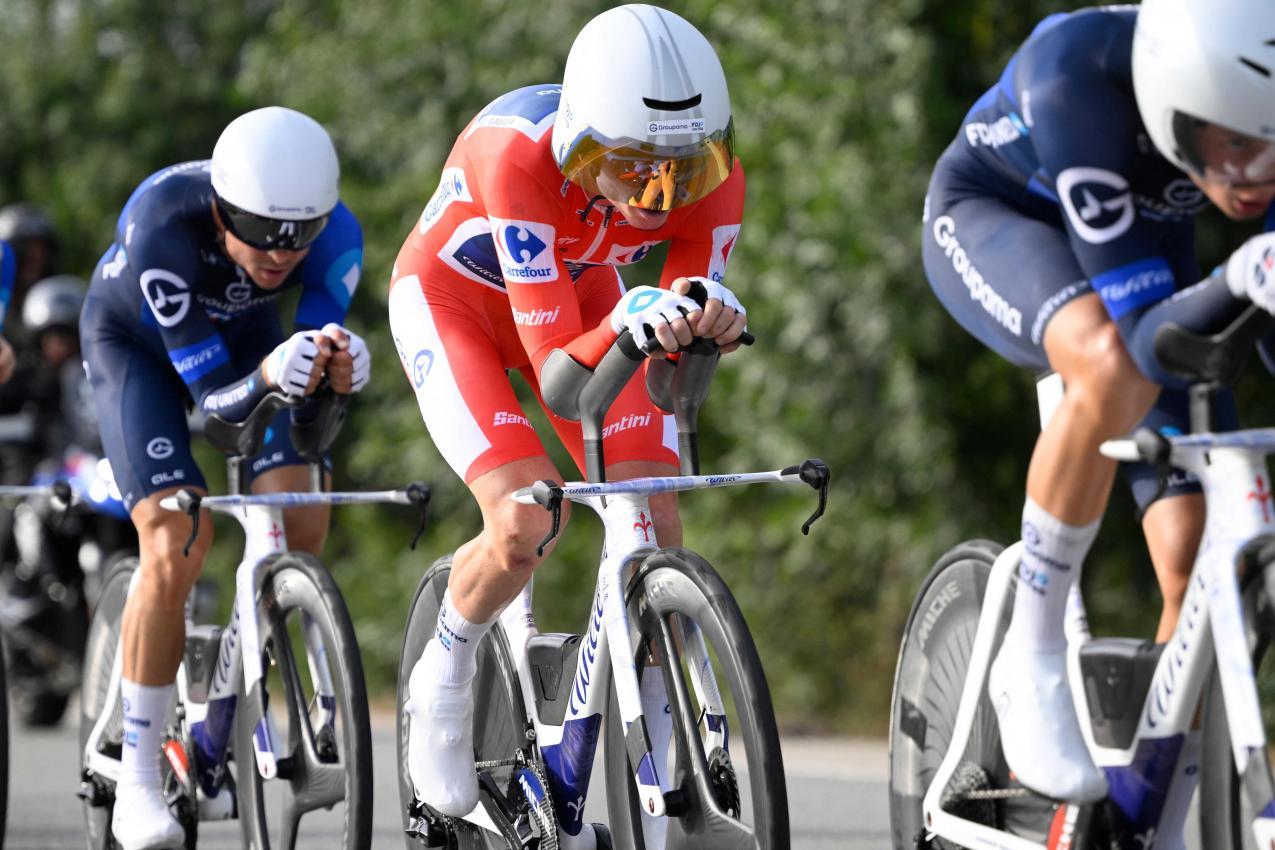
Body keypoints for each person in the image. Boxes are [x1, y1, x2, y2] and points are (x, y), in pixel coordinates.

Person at [388, 2, 748, 835]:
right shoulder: (513, 154)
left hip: (585, 304)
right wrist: (641, 323)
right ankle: (442, 673)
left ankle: (655, 746)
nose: (660, 196)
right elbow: (556, 377)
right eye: (632, 168)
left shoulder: (717, 175)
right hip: (457, 310)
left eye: (683, 172)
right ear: (581, 148)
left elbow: (668, 383)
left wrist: (703, 324)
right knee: (525, 520)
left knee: (653, 514)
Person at [922, 0, 1275, 803]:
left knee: (1198, 566)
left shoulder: (1252, 110)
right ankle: (1031, 652)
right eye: (1235, 146)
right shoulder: (1074, 73)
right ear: (1172, 105)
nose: (1256, 172)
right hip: (999, 219)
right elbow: (1145, 341)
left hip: (1143, 259)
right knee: (1111, 365)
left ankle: (1148, 809)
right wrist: (1237, 277)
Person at [79, 106, 370, 850]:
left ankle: (221, 717)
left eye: (297, 236)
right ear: (219, 206)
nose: (280, 255)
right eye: (259, 231)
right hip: (136, 350)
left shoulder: (336, 236)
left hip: (244, 339)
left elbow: (308, 387)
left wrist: (335, 375)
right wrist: (275, 372)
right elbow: (214, 413)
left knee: (299, 519)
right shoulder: (160, 225)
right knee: (178, 534)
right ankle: (140, 779)